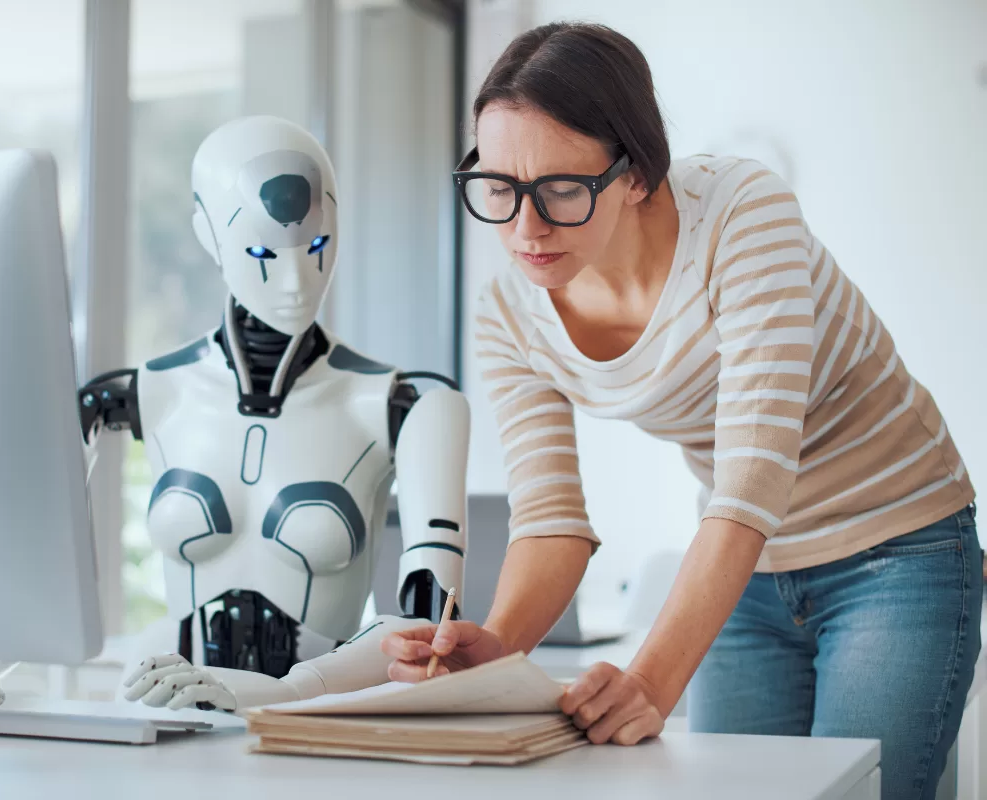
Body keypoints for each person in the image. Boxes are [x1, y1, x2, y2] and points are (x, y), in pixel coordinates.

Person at [380, 21, 979, 800]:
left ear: (635, 173)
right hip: (748, 577)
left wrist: (650, 682)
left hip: (895, 548)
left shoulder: (740, 211)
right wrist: (493, 651)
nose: (525, 228)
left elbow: (753, 474)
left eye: (560, 189)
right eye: (497, 187)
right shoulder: (510, 311)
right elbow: (551, 521)